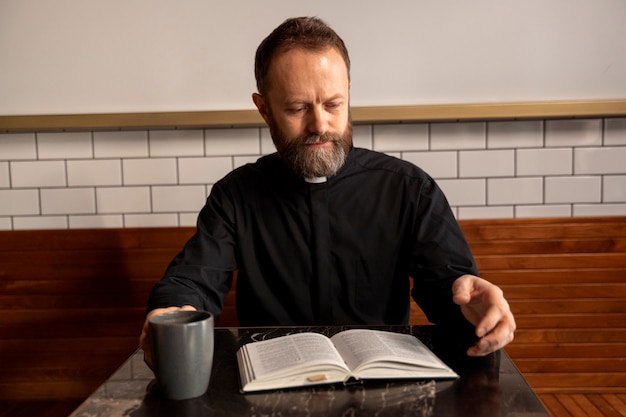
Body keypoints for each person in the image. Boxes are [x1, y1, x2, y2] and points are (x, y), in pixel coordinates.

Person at [139, 16, 515, 364]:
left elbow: (451, 291)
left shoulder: (409, 188)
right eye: (297, 108)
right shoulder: (236, 196)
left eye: (334, 104)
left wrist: (475, 307)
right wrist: (173, 311)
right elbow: (194, 280)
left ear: (349, 93)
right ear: (264, 109)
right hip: (274, 385)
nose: (320, 124)